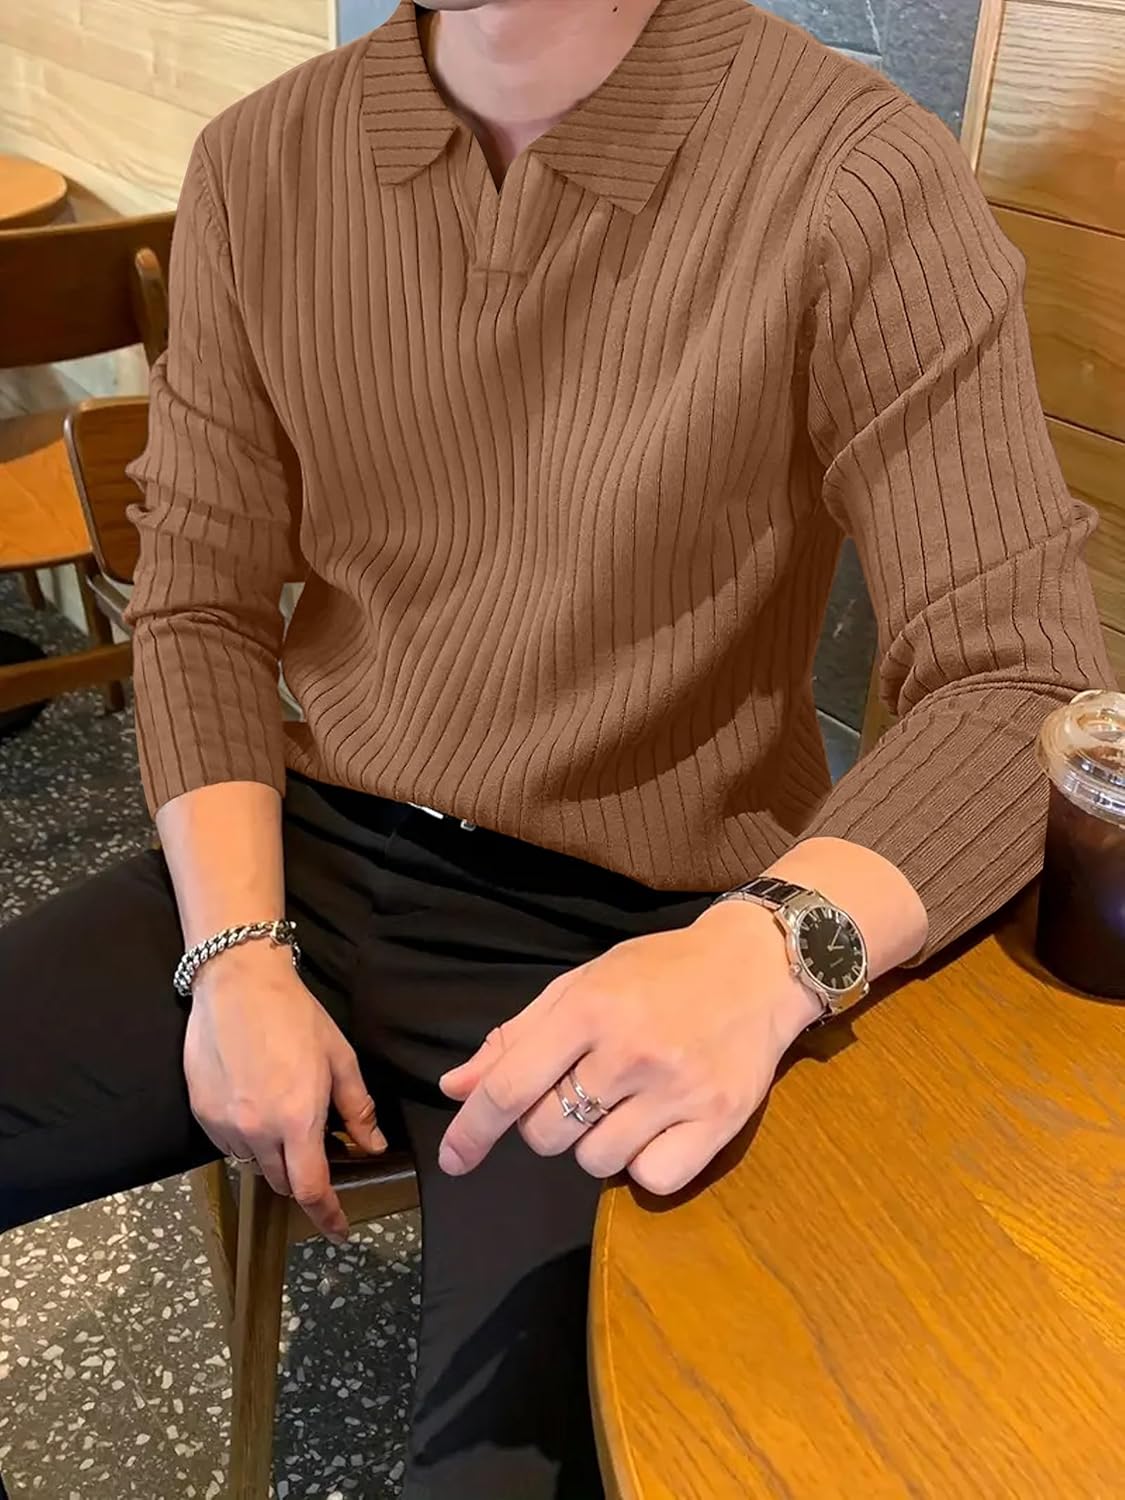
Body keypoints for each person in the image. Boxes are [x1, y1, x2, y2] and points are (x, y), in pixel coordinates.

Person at [0, 0, 1113, 1494]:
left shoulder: (851, 171)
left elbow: (1018, 677)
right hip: (294, 847)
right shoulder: (261, 160)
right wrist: (239, 953)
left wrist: (768, 952)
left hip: (643, 925)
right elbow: (200, 599)